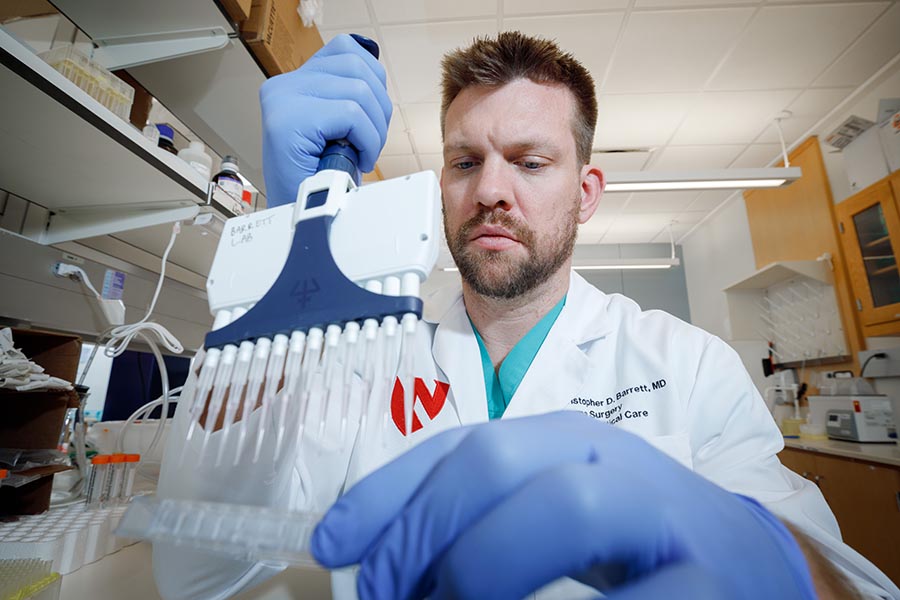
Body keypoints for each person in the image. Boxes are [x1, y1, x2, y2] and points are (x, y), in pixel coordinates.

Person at [153, 32, 900, 600]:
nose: (490, 191)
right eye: (465, 161)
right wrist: (283, 252)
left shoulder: (689, 363)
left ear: (586, 191)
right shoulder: (357, 353)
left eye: (531, 162)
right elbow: (194, 572)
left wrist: (765, 559)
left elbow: (852, 586)